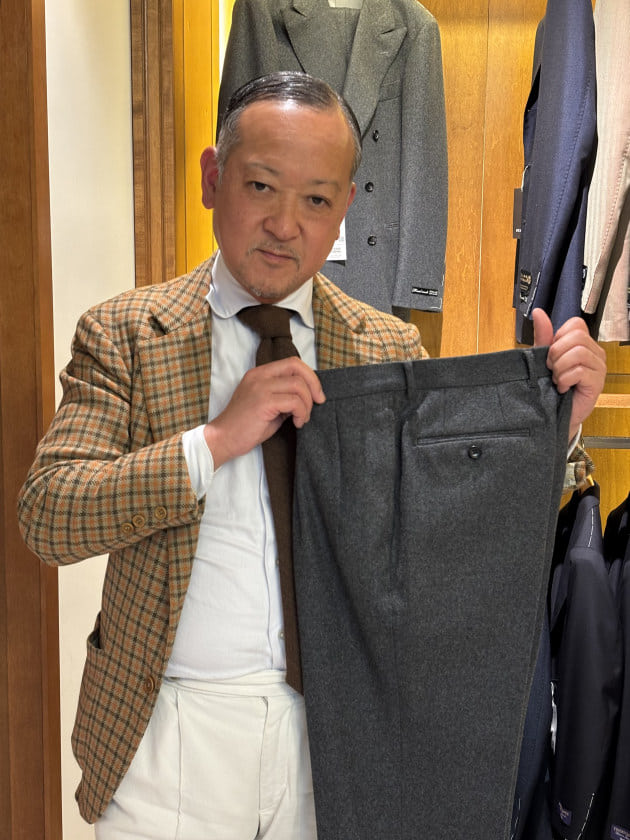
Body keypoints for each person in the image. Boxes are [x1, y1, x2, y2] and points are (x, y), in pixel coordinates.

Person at [18, 71, 606, 839]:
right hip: (169, 734)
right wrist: (215, 442)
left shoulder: (385, 347)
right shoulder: (126, 334)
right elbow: (50, 514)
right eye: (261, 185)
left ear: (346, 210)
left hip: (340, 737)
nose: (285, 224)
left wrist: (556, 426)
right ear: (213, 178)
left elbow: (443, 535)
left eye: (317, 200)